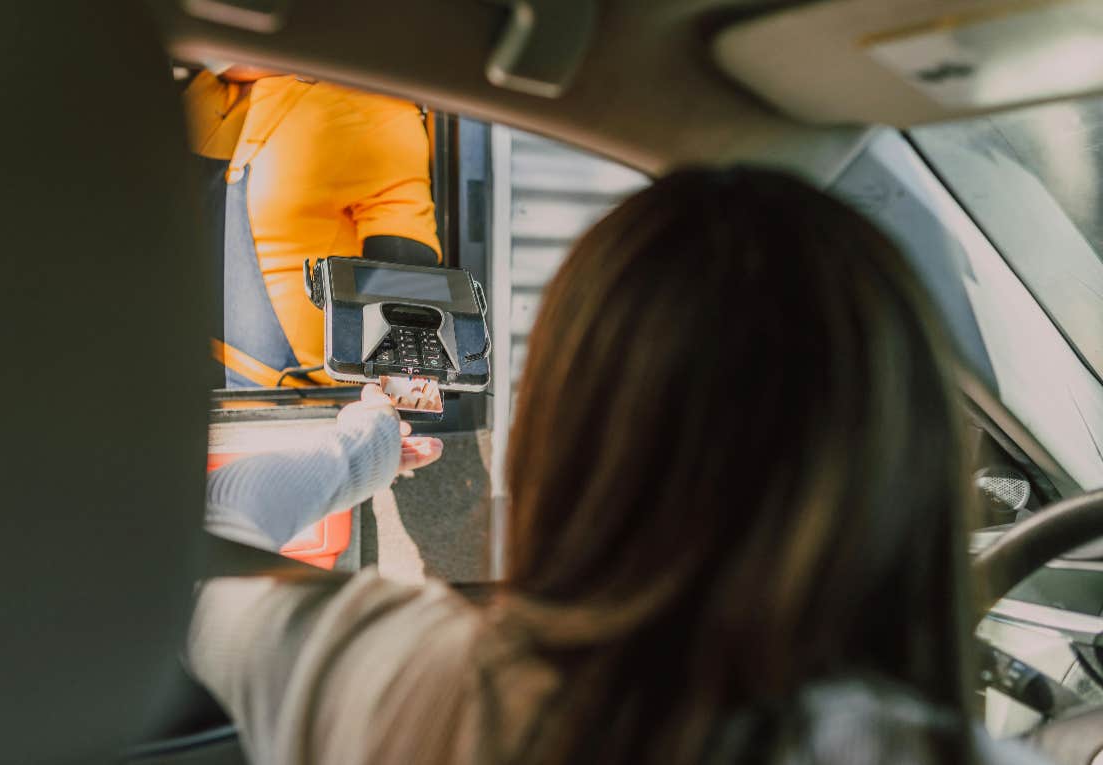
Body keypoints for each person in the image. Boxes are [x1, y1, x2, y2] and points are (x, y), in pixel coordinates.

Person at [188, 167, 1045, 764]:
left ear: (564, 439)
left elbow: (198, 542)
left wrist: (365, 442)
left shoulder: (402, 684)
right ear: (911, 455)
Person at [185, 64, 441, 388]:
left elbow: (408, 277)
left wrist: (397, 398)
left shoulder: (370, 110)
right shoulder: (201, 90)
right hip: (186, 380)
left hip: (288, 406)